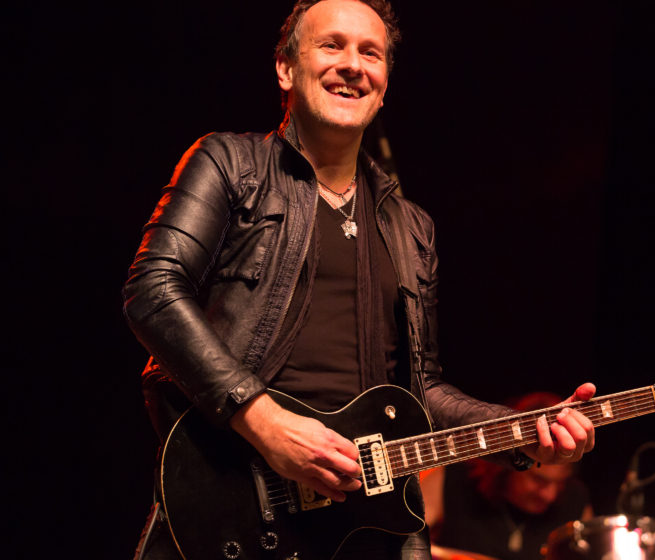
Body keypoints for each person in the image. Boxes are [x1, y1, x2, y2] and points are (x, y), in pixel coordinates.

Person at [122, 1, 596, 559]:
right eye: (332, 45)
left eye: (370, 53)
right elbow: (153, 288)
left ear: (385, 83)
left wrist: (524, 430)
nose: (353, 64)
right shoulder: (230, 163)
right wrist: (265, 421)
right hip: (230, 502)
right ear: (285, 68)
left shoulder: (411, 226)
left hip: (369, 526)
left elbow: (423, 390)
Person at [421, 393, 594, 560]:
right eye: (539, 480)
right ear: (510, 460)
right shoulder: (455, 475)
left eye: (560, 483)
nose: (550, 495)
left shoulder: (575, 499)